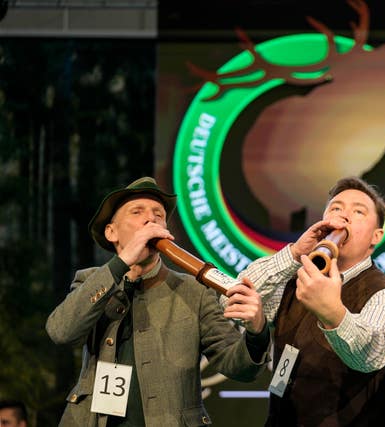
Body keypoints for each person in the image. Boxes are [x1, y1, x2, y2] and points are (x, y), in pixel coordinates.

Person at [46, 177, 270, 427]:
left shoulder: (194, 291)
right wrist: (123, 262)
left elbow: (238, 366)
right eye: (137, 212)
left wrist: (256, 331)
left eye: (158, 215)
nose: (150, 220)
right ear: (112, 232)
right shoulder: (91, 281)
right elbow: (61, 332)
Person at [234, 176, 385, 426]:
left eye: (358, 212)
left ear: (376, 236)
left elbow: (369, 355)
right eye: (336, 208)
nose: (344, 216)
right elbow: (238, 295)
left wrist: (333, 313)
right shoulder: (295, 279)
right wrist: (295, 253)